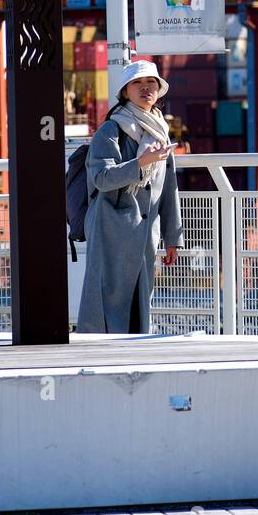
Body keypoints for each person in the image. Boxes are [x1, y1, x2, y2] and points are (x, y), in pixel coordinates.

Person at [76, 60, 184, 333]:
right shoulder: (110, 130)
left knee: (140, 297)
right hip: (111, 226)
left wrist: (173, 239)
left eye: (151, 83)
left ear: (159, 90)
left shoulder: (160, 129)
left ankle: (133, 353)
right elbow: (101, 178)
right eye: (137, 83)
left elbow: (168, 186)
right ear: (125, 92)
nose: (145, 87)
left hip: (146, 228)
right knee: (107, 295)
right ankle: (98, 354)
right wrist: (139, 164)